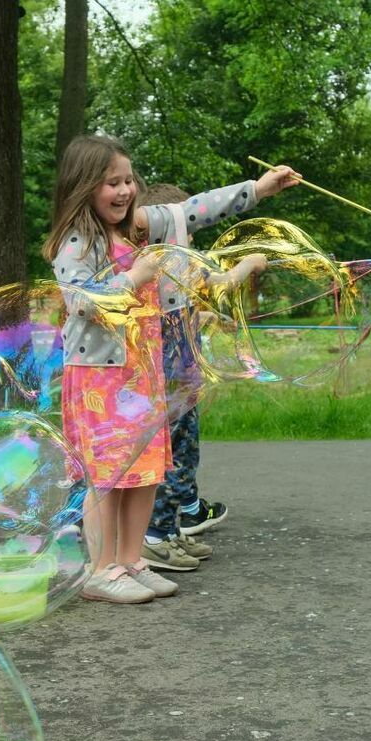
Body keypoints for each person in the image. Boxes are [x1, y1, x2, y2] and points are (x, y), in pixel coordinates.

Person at [43, 134, 298, 603]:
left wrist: (257, 190)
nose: (123, 192)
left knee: (144, 472)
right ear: (82, 187)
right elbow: (79, 303)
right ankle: (99, 572)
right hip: (99, 377)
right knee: (108, 475)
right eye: (110, 184)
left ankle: (129, 561)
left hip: (140, 372)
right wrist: (132, 278)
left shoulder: (136, 227)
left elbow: (196, 210)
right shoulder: (74, 243)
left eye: (126, 181)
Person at [135, 182, 228, 572]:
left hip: (183, 386)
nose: (188, 240)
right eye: (183, 231)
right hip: (168, 389)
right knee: (168, 459)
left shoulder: (174, 271)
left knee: (185, 456)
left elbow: (180, 316)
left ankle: (169, 530)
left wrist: (200, 317)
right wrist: (248, 265)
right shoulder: (150, 270)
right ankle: (153, 538)